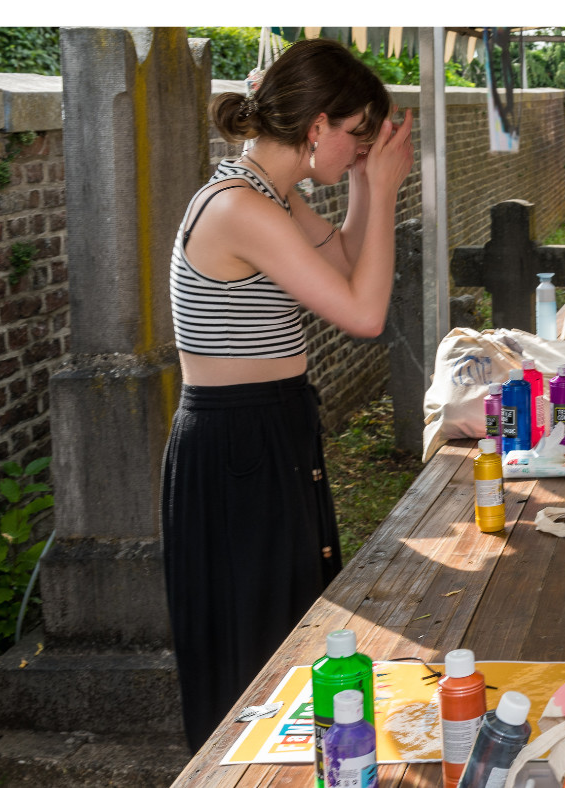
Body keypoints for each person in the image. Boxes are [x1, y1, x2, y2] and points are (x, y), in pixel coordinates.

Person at [161, 38, 414, 750]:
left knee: (290, 632)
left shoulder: (271, 193)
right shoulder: (239, 208)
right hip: (235, 446)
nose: (360, 150)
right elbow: (363, 315)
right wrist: (387, 189)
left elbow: (344, 261)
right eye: (356, 135)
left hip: (269, 431)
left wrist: (367, 187)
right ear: (317, 128)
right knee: (256, 653)